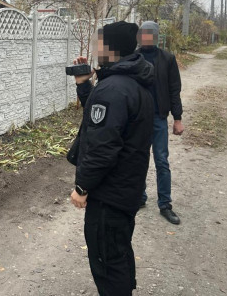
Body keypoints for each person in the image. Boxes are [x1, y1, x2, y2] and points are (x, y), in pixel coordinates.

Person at [70, 21, 155, 296]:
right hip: (126, 187)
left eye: (99, 43)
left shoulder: (114, 89)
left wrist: (82, 187)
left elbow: (102, 148)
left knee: (108, 260)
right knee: (117, 250)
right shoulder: (129, 81)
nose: (95, 47)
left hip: (110, 193)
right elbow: (106, 122)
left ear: (112, 48)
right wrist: (85, 86)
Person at [136, 21, 184, 225]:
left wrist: (178, 118)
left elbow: (175, 90)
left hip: (158, 118)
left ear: (156, 36)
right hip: (137, 118)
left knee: (161, 161)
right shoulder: (133, 57)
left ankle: (165, 204)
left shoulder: (167, 59)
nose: (146, 37)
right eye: (142, 34)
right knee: (138, 159)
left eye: (150, 34)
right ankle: (140, 197)